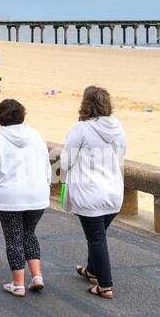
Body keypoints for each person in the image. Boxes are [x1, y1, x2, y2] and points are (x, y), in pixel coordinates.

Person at [59, 86, 127, 300]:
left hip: (89, 193)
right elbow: (122, 153)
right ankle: (92, 271)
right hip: (113, 191)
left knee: (96, 238)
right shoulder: (117, 128)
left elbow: (66, 161)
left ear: (85, 104)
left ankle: (105, 285)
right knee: (98, 235)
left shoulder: (81, 129)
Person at [0, 99, 50, 297]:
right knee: (29, 233)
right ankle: (37, 276)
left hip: (10, 197)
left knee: (14, 238)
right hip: (37, 194)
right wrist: (44, 186)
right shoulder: (36, 135)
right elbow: (47, 166)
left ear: (0, 117)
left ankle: (18, 284)